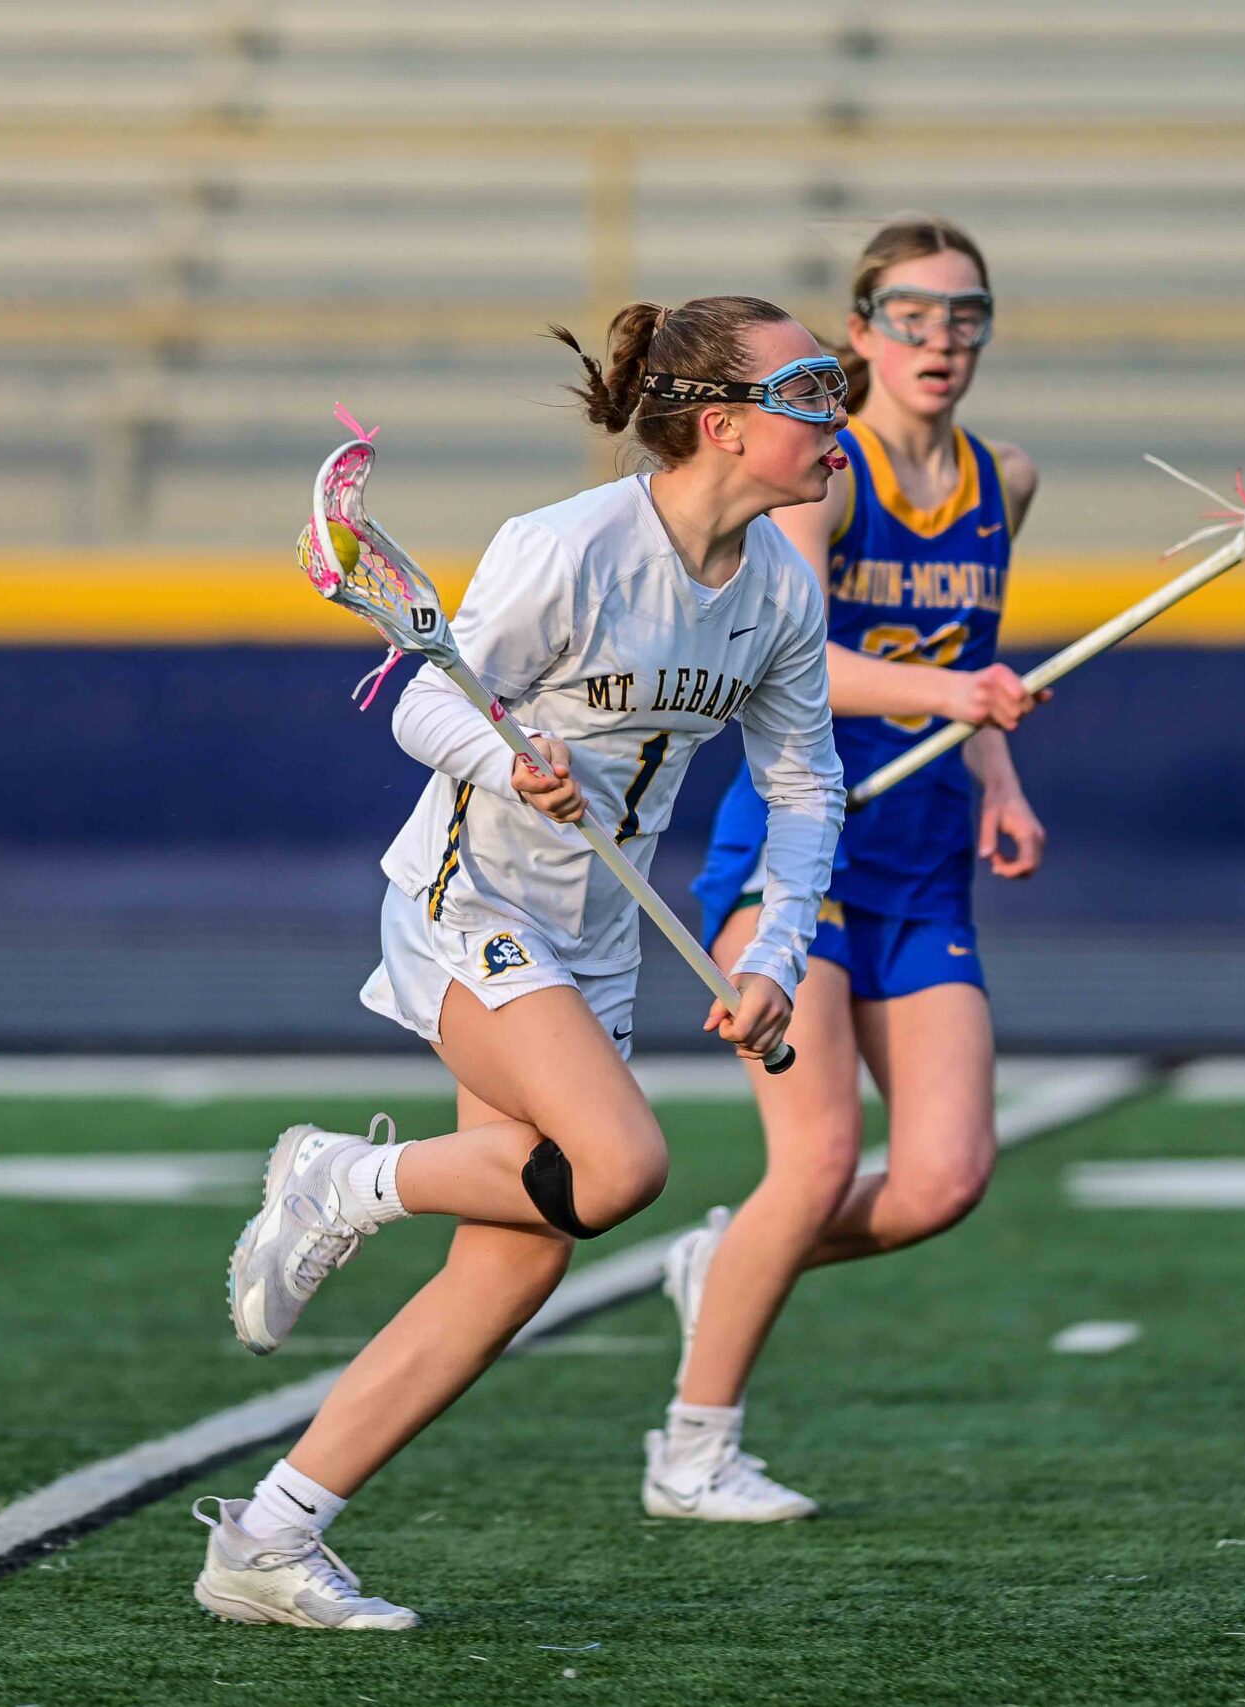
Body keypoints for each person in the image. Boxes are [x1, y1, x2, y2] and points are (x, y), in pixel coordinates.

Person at [192, 294, 847, 1629]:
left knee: (517, 1263)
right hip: (471, 899)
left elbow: (804, 785)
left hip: (594, 938)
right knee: (621, 1166)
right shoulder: (569, 545)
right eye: (811, 392)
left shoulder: (778, 585)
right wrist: (510, 764)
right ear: (721, 424)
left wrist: (777, 952)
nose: (837, 419)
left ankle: (268, 1536)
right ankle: (347, 1177)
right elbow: (425, 701)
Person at [658, 215, 1046, 1521]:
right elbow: (800, 662)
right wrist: (959, 694)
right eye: (912, 316)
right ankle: (692, 1450)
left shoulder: (1005, 478)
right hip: (794, 855)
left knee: (943, 1180)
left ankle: (727, 1258)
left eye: (965, 317)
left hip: (923, 862)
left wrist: (999, 775)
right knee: (817, 1158)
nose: (942, 341)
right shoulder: (824, 474)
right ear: (863, 331)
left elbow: (968, 662)